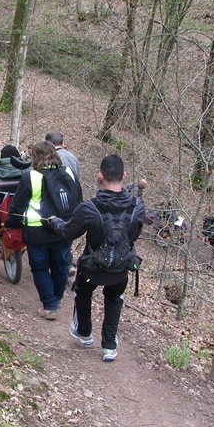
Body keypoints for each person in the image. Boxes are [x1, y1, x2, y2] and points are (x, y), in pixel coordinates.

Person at [49, 154, 146, 361]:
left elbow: (68, 232)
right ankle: (109, 347)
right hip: (120, 269)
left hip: (91, 269)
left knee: (82, 291)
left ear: (100, 176)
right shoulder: (137, 207)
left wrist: (54, 221)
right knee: (114, 298)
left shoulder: (88, 208)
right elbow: (134, 236)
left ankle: (84, 333)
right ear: (124, 175)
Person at [5, 141, 81, 321]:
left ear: (35, 157)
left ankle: (49, 306)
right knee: (60, 265)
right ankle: (58, 298)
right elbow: (78, 199)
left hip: (37, 231)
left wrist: (10, 222)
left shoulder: (30, 176)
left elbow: (18, 205)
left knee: (40, 268)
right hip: (64, 229)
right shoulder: (69, 172)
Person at [45, 131, 81, 276]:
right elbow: (78, 179)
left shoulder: (50, 159)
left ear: (48, 144)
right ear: (63, 143)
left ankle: (61, 266)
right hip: (72, 202)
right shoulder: (73, 157)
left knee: (55, 232)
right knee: (67, 233)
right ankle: (67, 263)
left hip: (57, 200)